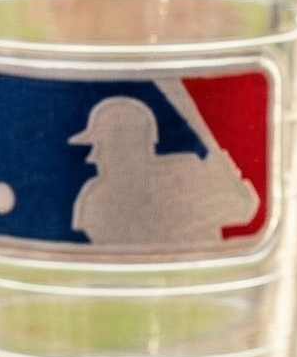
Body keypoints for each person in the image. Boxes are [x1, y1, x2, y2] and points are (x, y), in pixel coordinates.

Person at [68, 95, 258, 249]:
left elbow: (245, 208)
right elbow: (130, 255)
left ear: (127, 147)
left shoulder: (185, 171)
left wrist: (221, 168)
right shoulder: (98, 198)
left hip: (204, 283)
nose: (92, 157)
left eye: (103, 146)